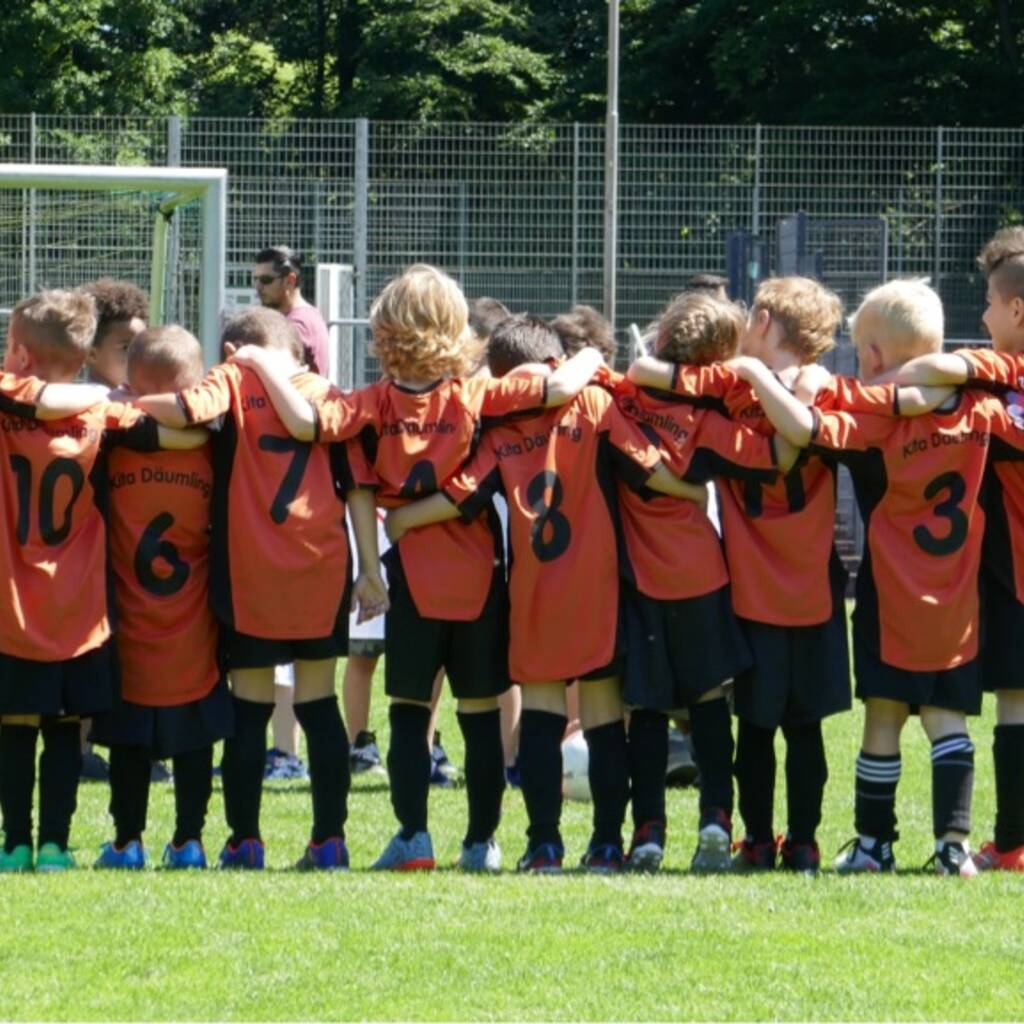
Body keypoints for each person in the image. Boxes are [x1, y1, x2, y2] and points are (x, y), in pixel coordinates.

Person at [230, 264, 606, 872]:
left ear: (384, 331)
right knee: (480, 717)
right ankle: (481, 843)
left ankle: (413, 838)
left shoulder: (374, 404)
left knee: (408, 712)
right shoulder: (475, 394)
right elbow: (560, 390)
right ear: (455, 329)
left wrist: (261, 362)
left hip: (411, 578)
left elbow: (305, 422)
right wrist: (590, 358)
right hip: (479, 575)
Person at [385, 314, 708, 873]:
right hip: (598, 586)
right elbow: (644, 466)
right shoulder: (595, 406)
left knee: (541, 712)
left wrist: (402, 518)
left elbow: (465, 493)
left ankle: (544, 846)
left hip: (535, 590)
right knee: (604, 713)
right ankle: (607, 843)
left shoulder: (502, 431)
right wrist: (692, 491)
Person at [730, 278, 1024, 877]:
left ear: (871, 356)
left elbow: (806, 428)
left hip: (889, 600)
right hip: (958, 605)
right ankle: (952, 847)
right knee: (949, 721)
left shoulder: (874, 420)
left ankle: (873, 844)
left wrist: (758, 377)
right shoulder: (984, 411)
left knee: (884, 716)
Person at [132, 306, 386, 871]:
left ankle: (244, 840)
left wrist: (126, 403)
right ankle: (329, 842)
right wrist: (370, 568)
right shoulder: (328, 394)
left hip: (249, 573)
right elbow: (359, 487)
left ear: (234, 353)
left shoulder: (233, 379)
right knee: (319, 706)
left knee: (250, 709)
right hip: (319, 569)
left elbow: (187, 411)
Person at [0, 290, 198, 872]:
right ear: (83, 356)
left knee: (14, 726)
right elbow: (185, 434)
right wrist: (108, 396)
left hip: (14, 607)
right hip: (80, 609)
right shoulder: (102, 414)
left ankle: (15, 845)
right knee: (65, 727)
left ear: (22, 353)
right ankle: (57, 847)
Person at [613, 291, 791, 872]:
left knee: (646, 707)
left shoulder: (624, 397)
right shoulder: (715, 419)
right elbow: (776, 456)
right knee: (709, 700)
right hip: (701, 577)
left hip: (641, 580)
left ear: (663, 335)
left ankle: (648, 830)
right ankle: (717, 815)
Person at [883, 229, 1024, 872]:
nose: (983, 318)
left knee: (1016, 699)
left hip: (1012, 570)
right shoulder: (998, 378)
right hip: (997, 565)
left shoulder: (1001, 372)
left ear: (1016, 310)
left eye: (990, 306)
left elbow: (924, 370)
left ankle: (1014, 843)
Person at [91, 325, 228, 870]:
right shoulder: (214, 446)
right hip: (193, 623)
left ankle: (127, 842)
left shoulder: (112, 442)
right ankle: (189, 841)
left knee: (128, 742)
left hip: (128, 623)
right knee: (195, 740)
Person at [76, 277, 152, 782]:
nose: (137, 356)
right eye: (126, 348)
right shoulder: (85, 401)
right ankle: (79, 746)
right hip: (86, 547)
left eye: (143, 346)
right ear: (89, 352)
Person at [253, 246, 330, 377]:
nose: (258, 287)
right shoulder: (309, 315)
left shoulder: (296, 325)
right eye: (255, 279)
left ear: (290, 281)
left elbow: (277, 378)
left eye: (266, 280)